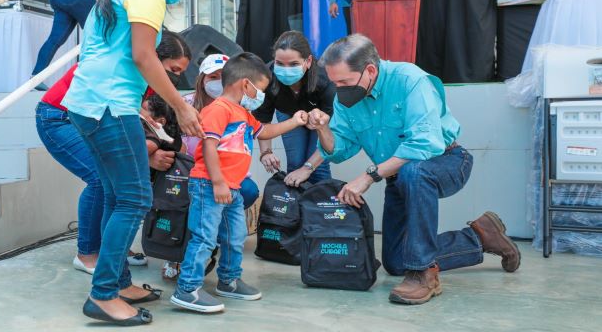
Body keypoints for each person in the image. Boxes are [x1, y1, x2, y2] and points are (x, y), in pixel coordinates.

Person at [307, 34, 521, 305]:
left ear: (370, 70)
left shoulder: (410, 80)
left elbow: (424, 144)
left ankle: (423, 274)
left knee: (414, 172)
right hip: (397, 175)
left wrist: (369, 177)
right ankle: (480, 236)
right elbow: (338, 150)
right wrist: (323, 128)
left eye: (344, 82)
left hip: (447, 160)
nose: (338, 89)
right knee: (396, 263)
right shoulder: (346, 99)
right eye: (334, 82)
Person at [62, 0, 202, 326]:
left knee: (115, 194)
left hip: (85, 102)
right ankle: (103, 294)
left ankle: (119, 282)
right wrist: (180, 105)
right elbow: (144, 56)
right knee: (136, 199)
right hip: (110, 105)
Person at [35, 30, 192, 275]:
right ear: (155, 58)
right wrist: (148, 157)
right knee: (99, 179)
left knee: (114, 183)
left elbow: (134, 120)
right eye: (174, 69)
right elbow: (117, 118)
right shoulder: (123, 66)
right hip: (59, 117)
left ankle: (113, 248)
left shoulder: (148, 80)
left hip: (91, 118)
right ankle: (87, 254)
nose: (177, 77)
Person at [170, 53, 309, 313]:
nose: (261, 95)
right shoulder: (218, 109)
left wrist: (294, 121)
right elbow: (208, 146)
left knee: (235, 236)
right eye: (261, 89)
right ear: (246, 85)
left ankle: (229, 280)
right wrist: (218, 182)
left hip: (232, 187)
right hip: (210, 185)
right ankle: (187, 289)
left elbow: (264, 131)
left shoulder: (243, 113)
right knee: (204, 237)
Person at [161, 53, 262, 281]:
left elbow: (261, 131)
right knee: (200, 228)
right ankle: (182, 268)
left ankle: (227, 272)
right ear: (201, 79)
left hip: (225, 179)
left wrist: (296, 121)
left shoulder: (240, 108)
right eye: (212, 77)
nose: (218, 81)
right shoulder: (184, 105)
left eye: (222, 76)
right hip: (192, 173)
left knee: (245, 198)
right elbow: (182, 144)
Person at [254, 31, 335, 186]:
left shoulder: (325, 81)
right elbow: (262, 122)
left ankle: (322, 208)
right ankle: (295, 207)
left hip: (320, 119)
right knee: (295, 162)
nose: (286, 69)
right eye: (279, 63)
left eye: (293, 64)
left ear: (308, 61)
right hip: (288, 114)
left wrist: (308, 167)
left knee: (319, 168)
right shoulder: (266, 78)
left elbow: (330, 141)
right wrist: (265, 152)